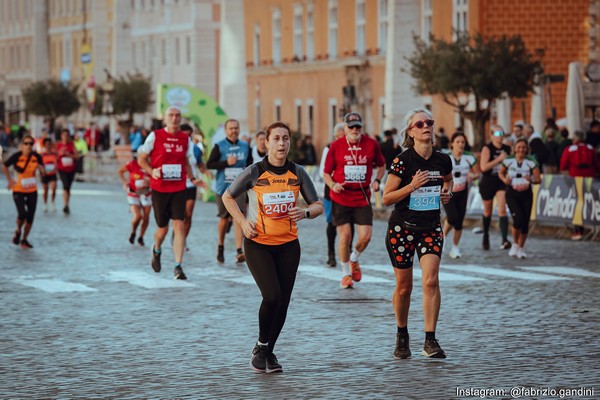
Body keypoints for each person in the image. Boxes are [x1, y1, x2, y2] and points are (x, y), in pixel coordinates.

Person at [222, 121, 323, 373]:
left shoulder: (298, 172)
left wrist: (306, 213)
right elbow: (228, 197)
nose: (281, 143)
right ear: (266, 143)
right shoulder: (255, 172)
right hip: (258, 245)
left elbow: (318, 205)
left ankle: (268, 351)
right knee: (272, 296)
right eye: (276, 138)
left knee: (284, 302)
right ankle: (260, 345)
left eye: (286, 138)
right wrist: (243, 222)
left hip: (289, 246)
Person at [382, 108, 453, 359]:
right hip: (402, 229)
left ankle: (430, 340)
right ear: (411, 132)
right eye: (420, 123)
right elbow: (386, 198)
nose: (426, 126)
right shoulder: (403, 161)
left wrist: (446, 192)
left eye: (429, 122)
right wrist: (412, 186)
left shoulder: (443, 160)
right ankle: (402, 334)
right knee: (404, 288)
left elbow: (448, 179)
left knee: (431, 280)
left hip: (431, 227)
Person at [137, 106, 202, 280]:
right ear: (166, 119)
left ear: (181, 119)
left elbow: (187, 162)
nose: (174, 118)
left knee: (179, 224)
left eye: (177, 116)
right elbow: (141, 159)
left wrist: (193, 178)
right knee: (162, 229)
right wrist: (152, 172)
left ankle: (178, 266)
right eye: (171, 116)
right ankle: (156, 249)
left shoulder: (185, 139)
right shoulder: (155, 136)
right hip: (160, 188)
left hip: (179, 187)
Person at [323, 112, 385, 289]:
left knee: (366, 237)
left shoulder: (371, 144)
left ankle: (354, 259)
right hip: (341, 196)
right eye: (351, 127)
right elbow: (326, 172)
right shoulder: (336, 146)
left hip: (362, 196)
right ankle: (345, 274)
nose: (355, 130)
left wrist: (377, 181)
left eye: (358, 126)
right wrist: (333, 185)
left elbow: (381, 165)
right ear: (345, 128)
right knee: (345, 236)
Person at [206, 119, 252, 264]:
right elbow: (209, 164)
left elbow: (250, 164)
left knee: (240, 217)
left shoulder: (245, 146)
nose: (234, 131)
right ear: (226, 130)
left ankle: (239, 250)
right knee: (224, 219)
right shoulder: (219, 146)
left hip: (239, 188)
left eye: (236, 128)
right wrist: (226, 163)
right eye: (231, 128)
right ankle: (221, 246)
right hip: (223, 188)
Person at [499, 139, 541, 258]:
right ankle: (515, 244)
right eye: (519, 147)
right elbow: (501, 173)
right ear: (514, 148)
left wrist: (531, 179)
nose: (521, 149)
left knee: (525, 222)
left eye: (523, 147)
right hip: (512, 193)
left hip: (526, 193)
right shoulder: (508, 161)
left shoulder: (531, 161)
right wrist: (504, 180)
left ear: (527, 149)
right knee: (518, 219)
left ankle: (521, 248)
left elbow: (538, 179)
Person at [2, 135, 46, 248]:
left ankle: (24, 239)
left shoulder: (37, 157)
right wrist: (9, 180)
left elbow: (43, 169)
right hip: (19, 190)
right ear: (22, 145)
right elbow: (4, 166)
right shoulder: (17, 156)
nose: (29, 146)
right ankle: (18, 230)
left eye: (31, 144)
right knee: (22, 214)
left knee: (30, 216)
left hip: (32, 190)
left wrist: (42, 171)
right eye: (26, 143)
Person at [442, 132, 479, 259]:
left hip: (463, 191)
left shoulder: (469, 157)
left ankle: (455, 247)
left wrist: (472, 176)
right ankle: (442, 237)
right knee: (452, 217)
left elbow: (477, 173)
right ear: (452, 144)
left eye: (463, 142)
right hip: (448, 192)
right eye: (458, 142)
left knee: (459, 221)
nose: (460, 144)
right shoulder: (445, 157)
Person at [560, 130, 600, 240]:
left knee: (578, 201)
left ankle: (579, 230)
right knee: (590, 201)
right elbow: (596, 163)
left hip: (575, 178)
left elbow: (563, 164)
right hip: (590, 178)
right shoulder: (591, 148)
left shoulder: (570, 149)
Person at [478, 125, 512, 250]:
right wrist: (499, 159)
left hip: (501, 181)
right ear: (492, 136)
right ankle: (486, 235)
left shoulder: (508, 149)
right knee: (488, 211)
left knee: (502, 209)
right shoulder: (487, 148)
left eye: (501, 133)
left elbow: (512, 164)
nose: (500, 137)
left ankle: (504, 239)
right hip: (487, 181)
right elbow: (483, 167)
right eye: (497, 134)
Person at [319, 122, 346, 267]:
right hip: (330, 191)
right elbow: (322, 171)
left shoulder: (351, 149)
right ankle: (331, 254)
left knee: (347, 223)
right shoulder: (329, 148)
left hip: (346, 192)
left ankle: (346, 254)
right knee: (332, 223)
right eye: (339, 137)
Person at [180, 123, 209, 248]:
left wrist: (205, 172)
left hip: (191, 184)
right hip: (177, 185)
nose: (186, 137)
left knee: (188, 214)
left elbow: (200, 164)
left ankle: (182, 240)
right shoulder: (176, 146)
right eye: (184, 135)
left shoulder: (195, 149)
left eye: (188, 135)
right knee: (178, 215)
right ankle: (177, 232)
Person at [118, 151, 152, 246]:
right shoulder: (132, 164)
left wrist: (150, 182)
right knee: (137, 216)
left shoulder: (151, 165)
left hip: (146, 193)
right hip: (133, 193)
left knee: (146, 217)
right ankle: (133, 232)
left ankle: (141, 237)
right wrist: (125, 182)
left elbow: (157, 178)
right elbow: (120, 171)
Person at [56, 129, 80, 214]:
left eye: (67, 135)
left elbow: (77, 156)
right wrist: (60, 154)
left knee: (68, 187)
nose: (65, 137)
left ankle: (67, 204)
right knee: (65, 185)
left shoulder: (72, 145)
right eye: (64, 135)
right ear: (61, 136)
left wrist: (70, 155)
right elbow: (54, 157)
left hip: (71, 169)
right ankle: (65, 204)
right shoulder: (58, 145)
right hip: (62, 169)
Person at [40, 138, 58, 212]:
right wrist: (42, 170)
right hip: (45, 174)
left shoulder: (54, 153)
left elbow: (57, 162)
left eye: (49, 145)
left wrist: (55, 167)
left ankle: (53, 203)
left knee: (53, 189)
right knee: (45, 190)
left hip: (53, 173)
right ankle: (45, 204)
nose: (48, 146)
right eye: (46, 145)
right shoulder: (42, 154)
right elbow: (40, 164)